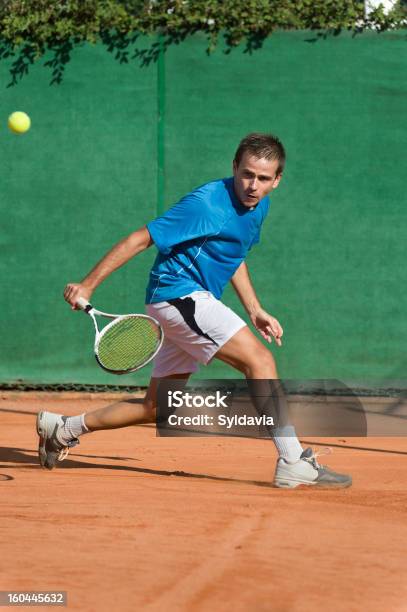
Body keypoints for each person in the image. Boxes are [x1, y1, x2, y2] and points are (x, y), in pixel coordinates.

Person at [37, 133, 351, 489]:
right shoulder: (206, 203)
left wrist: (255, 308)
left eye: (264, 178)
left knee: (157, 407)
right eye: (247, 174)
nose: (253, 185)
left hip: (189, 301)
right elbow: (140, 238)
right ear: (234, 167)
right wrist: (88, 284)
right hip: (177, 296)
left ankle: (62, 429)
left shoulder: (258, 205)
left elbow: (232, 256)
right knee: (259, 362)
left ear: (277, 180)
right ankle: (293, 460)